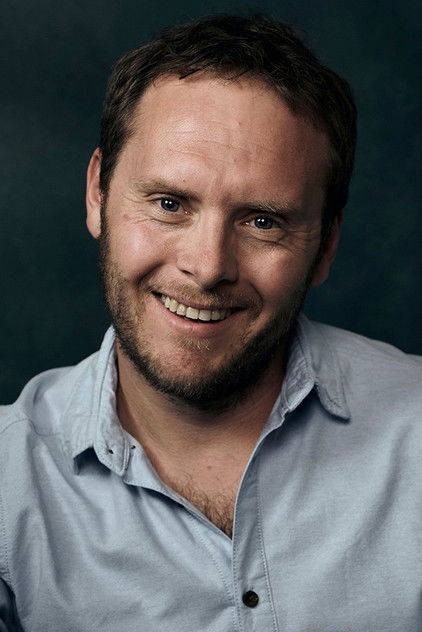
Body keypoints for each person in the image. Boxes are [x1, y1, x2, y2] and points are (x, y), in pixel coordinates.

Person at [0, 14, 420, 632]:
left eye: (263, 221)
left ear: (327, 244)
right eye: (169, 203)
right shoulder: (9, 483)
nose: (208, 267)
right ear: (98, 193)